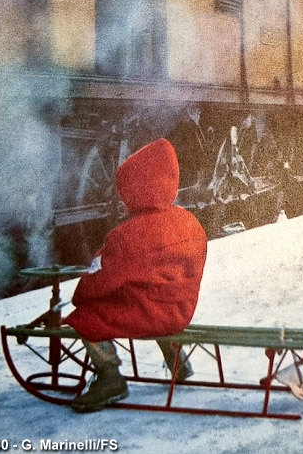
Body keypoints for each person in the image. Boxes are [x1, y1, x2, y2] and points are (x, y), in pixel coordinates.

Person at [65, 138, 208, 413]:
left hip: (152, 315)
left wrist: (81, 294)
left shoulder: (125, 236)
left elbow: (96, 283)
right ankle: (178, 362)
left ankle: (110, 378)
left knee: (85, 316)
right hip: (180, 312)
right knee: (155, 293)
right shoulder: (190, 223)